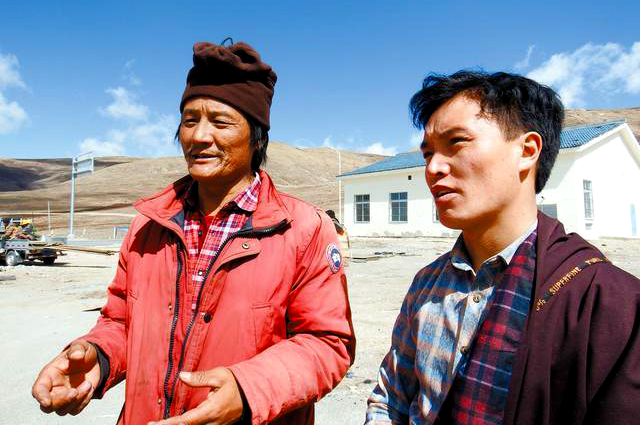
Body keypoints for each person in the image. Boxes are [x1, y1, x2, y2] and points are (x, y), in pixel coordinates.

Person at [32, 40, 356, 425]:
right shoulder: (148, 227)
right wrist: (98, 357)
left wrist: (248, 389)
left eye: (220, 122)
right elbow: (121, 322)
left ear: (257, 138)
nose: (199, 136)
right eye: (189, 120)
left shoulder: (304, 229)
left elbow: (326, 343)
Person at [365, 71, 640, 424]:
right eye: (428, 153)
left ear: (527, 151)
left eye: (456, 142)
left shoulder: (607, 302)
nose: (433, 168)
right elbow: (390, 400)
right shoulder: (426, 285)